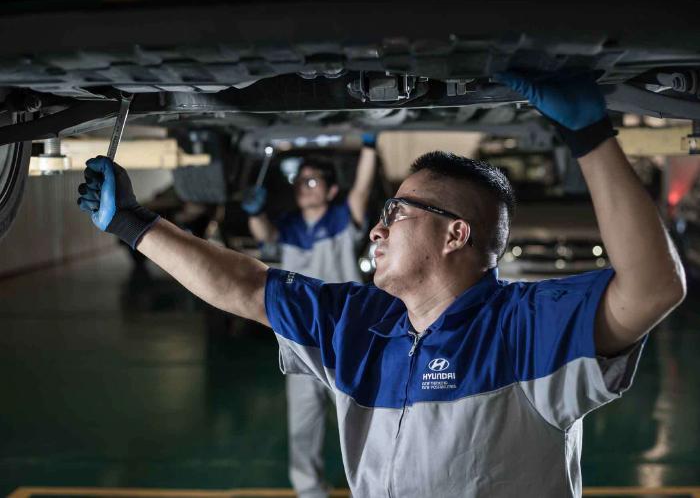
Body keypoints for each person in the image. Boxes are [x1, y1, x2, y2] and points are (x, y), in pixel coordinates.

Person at [77, 73, 686, 497]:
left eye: (396, 213)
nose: (376, 229)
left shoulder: (527, 328)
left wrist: (590, 137)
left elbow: (655, 287)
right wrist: (136, 224)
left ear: (454, 235)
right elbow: (244, 284)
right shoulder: (356, 325)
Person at [240, 138, 378, 498]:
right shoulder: (287, 226)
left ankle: (380, 486)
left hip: (347, 337)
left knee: (368, 418)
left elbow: (361, 190)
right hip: (300, 339)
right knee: (303, 422)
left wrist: (369, 148)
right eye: (300, 180)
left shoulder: (343, 219)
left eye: (313, 180)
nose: (304, 186)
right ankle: (309, 491)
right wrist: (254, 213)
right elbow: (265, 236)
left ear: (331, 190)